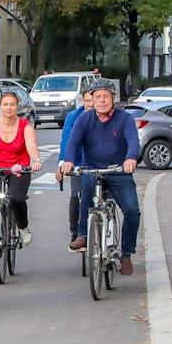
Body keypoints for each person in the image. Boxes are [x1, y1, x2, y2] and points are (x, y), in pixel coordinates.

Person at [58, 79, 141, 276]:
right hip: (93, 168)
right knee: (84, 192)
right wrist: (68, 160)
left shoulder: (124, 118)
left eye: (105, 96)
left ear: (114, 98)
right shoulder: (85, 119)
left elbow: (133, 141)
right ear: (91, 100)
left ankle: (126, 254)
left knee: (132, 210)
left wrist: (130, 158)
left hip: (118, 170)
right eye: (97, 97)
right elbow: (73, 142)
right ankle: (83, 235)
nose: (102, 101)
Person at [0, 87, 41, 255]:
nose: (9, 108)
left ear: (17, 106)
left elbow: (31, 145)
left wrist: (35, 160)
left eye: (12, 104)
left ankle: (22, 227)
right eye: (5, 104)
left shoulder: (24, 125)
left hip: (19, 169)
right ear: (0, 106)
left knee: (17, 198)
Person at [58, 90, 96, 248]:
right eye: (86, 101)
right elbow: (67, 140)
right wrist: (63, 163)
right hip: (78, 162)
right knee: (75, 196)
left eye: (92, 100)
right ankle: (76, 234)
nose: (90, 104)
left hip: (98, 163)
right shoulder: (74, 117)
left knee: (100, 198)